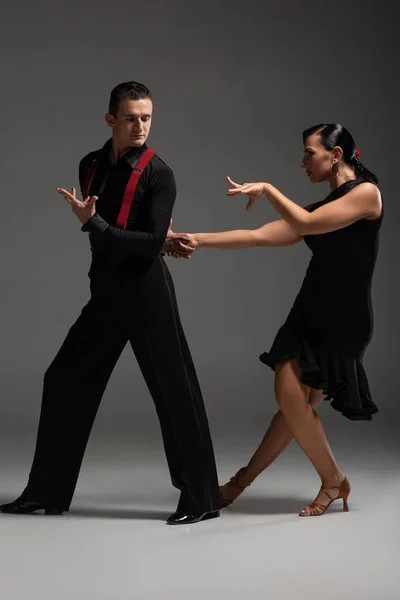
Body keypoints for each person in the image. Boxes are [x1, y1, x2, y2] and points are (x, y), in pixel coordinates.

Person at [0, 81, 220, 525]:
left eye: (147, 118)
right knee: (63, 378)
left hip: (147, 292)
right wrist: (102, 228)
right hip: (105, 291)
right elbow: (137, 232)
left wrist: (95, 225)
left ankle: (201, 499)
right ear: (110, 120)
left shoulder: (160, 174)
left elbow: (153, 241)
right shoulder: (91, 165)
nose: (140, 126)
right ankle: (46, 491)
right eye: (131, 118)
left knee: (174, 393)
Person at [166, 124, 383, 517]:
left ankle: (329, 481)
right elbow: (260, 235)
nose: (302, 162)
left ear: (335, 156)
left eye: (309, 153)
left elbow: (307, 224)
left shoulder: (366, 195)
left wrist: (267, 188)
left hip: (342, 319)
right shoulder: (325, 205)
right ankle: (241, 484)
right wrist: (194, 237)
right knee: (292, 406)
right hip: (309, 311)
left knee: (291, 402)